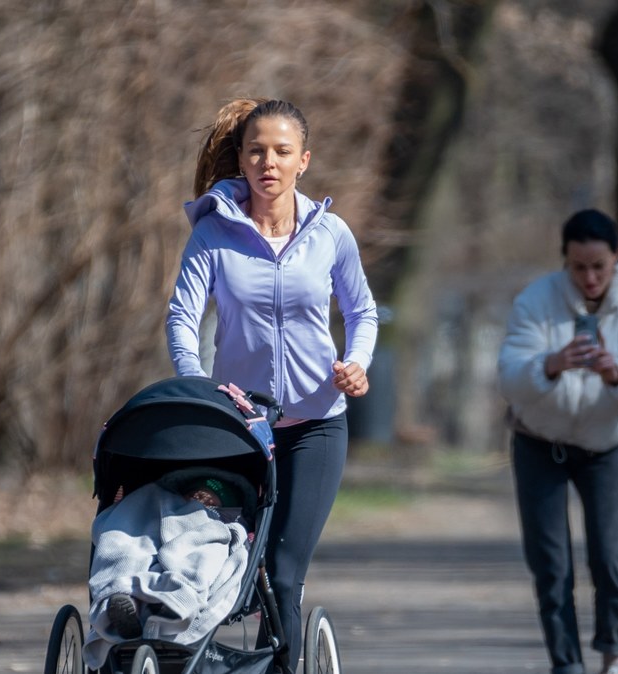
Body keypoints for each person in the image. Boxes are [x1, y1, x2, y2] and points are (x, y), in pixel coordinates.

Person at [166, 98, 379, 669]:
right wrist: (198, 387)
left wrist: (357, 362)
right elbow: (183, 318)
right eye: (257, 151)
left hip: (316, 427)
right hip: (239, 428)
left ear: (303, 160)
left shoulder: (330, 233)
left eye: (282, 152)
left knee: (281, 576)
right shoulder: (214, 233)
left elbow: (362, 312)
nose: (269, 162)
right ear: (240, 157)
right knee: (223, 571)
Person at [496, 208, 618, 674]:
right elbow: (510, 376)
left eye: (600, 266)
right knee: (551, 565)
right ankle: (566, 664)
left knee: (611, 557)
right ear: (565, 261)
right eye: (579, 267)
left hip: (604, 448)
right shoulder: (537, 301)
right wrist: (551, 364)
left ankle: (614, 657)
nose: (590, 277)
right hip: (539, 443)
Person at [84, 469, 252, 669]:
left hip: (197, 543)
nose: (200, 500)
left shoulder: (221, 524)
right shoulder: (168, 505)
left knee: (207, 554)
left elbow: (223, 544)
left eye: (210, 499)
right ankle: (131, 599)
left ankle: (172, 598)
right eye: (195, 494)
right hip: (157, 544)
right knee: (134, 548)